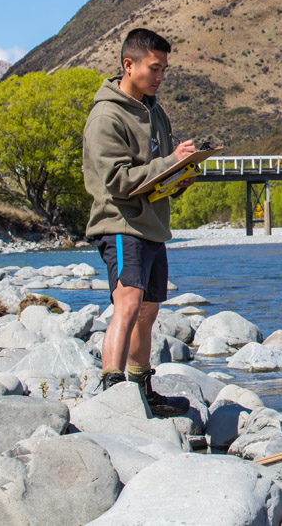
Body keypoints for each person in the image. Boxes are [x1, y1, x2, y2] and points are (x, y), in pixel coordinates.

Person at [82, 28, 195, 417]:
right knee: (127, 303)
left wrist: (182, 174)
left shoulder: (155, 110)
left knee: (148, 309)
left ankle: (142, 387)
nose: (160, 76)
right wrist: (169, 163)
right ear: (128, 65)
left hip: (151, 225)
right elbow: (118, 181)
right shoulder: (106, 115)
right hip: (119, 222)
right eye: (154, 68)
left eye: (164, 69)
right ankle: (113, 389)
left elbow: (157, 177)